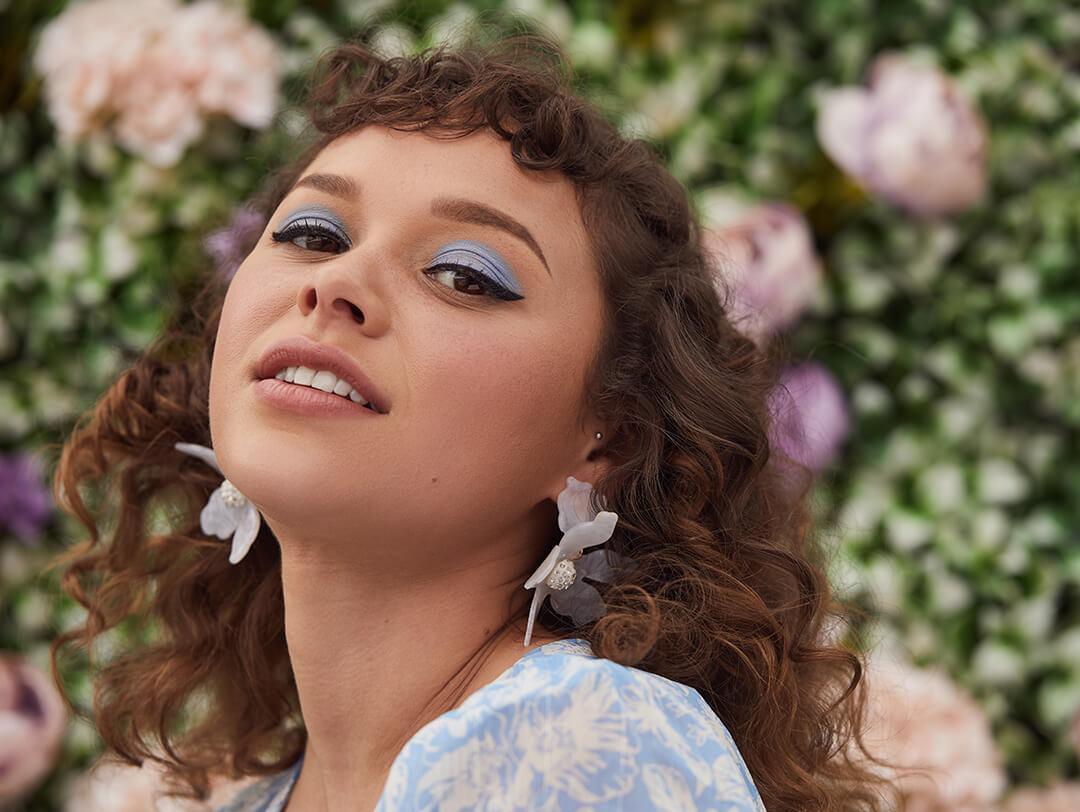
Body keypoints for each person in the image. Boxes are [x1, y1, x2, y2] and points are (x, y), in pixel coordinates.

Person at [46, 24, 893, 812]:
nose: (335, 283)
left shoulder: (588, 748)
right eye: (311, 231)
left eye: (463, 274)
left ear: (613, 435)